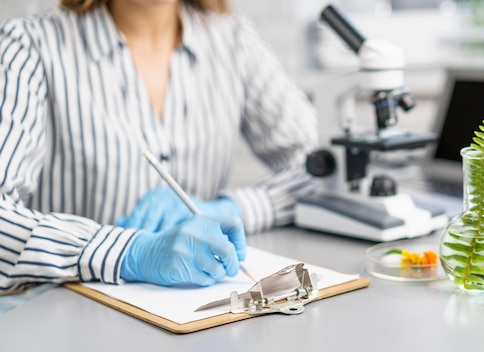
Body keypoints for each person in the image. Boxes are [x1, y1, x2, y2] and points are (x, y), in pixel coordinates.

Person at [0, 0, 318, 296]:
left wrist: (232, 209)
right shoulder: (28, 45)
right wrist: (129, 252)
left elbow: (322, 170)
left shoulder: (234, 41)